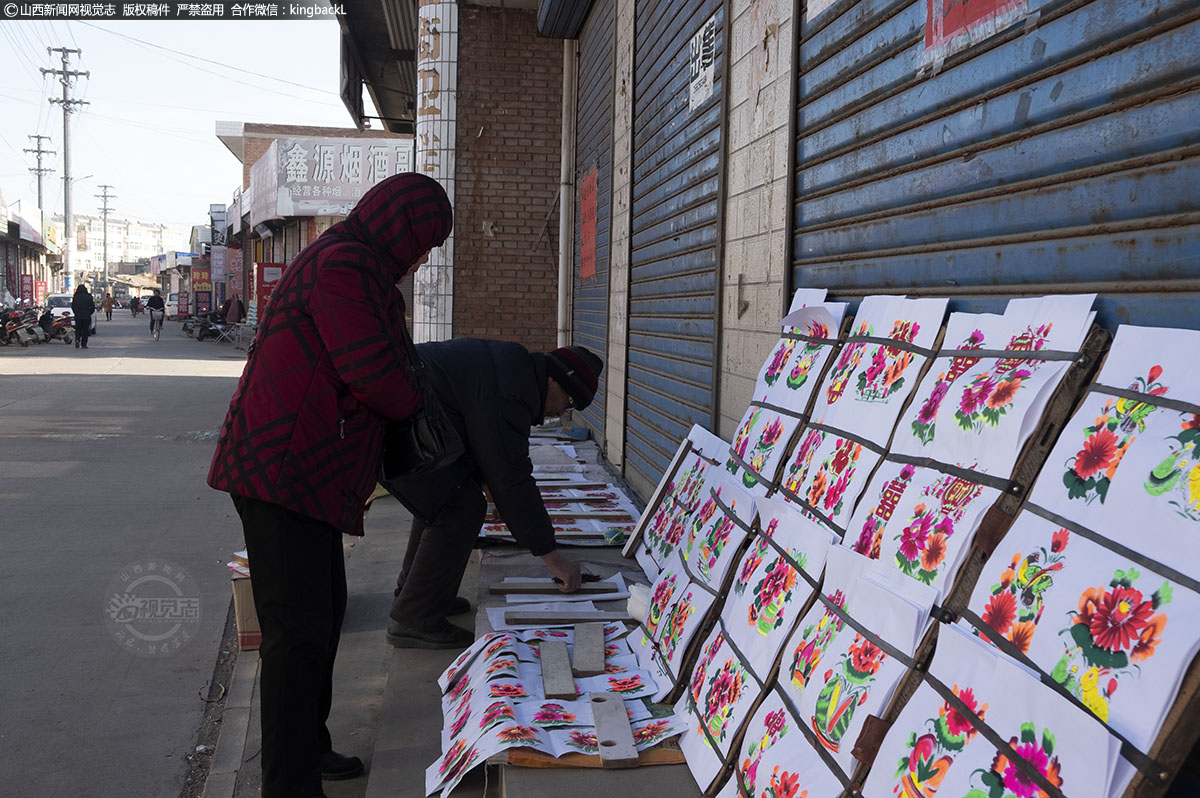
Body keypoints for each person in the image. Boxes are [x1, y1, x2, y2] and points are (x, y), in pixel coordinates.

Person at [207, 173, 453, 798]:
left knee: (324, 615)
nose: (422, 259)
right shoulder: (346, 268)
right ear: (401, 228)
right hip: (280, 471)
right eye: (424, 243)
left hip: (302, 472)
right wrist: (411, 395)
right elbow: (379, 376)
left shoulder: (358, 265)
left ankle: (308, 749)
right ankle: (288, 783)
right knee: (296, 636)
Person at [383, 342, 602, 648]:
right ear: (555, 380)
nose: (559, 413)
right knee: (457, 505)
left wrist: (490, 485)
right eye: (566, 403)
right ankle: (413, 616)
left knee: (449, 497)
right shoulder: (512, 389)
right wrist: (552, 558)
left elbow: (482, 442)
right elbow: (511, 477)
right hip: (398, 417)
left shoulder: (515, 370)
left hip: (409, 410)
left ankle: (418, 594)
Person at [70, 284, 95, 349]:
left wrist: (76, 313)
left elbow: (73, 306)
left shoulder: (75, 297)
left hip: (78, 316)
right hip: (86, 316)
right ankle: (84, 344)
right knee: (85, 330)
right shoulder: (89, 297)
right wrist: (89, 313)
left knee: (78, 329)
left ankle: (77, 339)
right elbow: (92, 307)